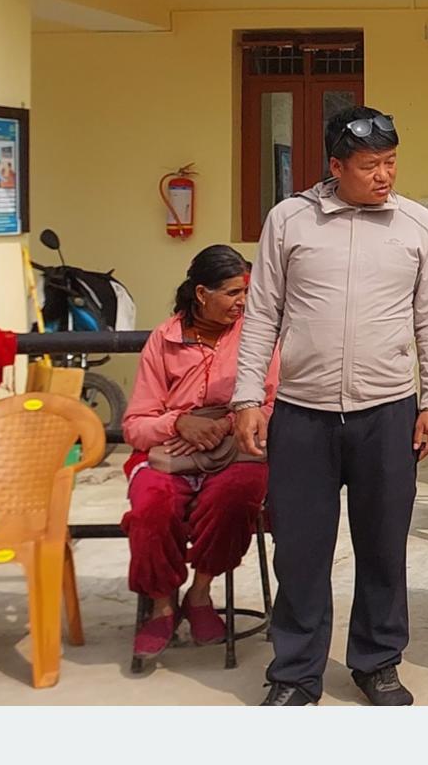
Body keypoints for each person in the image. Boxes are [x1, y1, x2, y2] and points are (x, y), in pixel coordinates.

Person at [231, 106, 428, 708]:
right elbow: (262, 315)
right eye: (370, 165)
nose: (384, 176)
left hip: (388, 412)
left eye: (390, 162)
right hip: (303, 413)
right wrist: (248, 396)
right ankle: (295, 672)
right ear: (336, 166)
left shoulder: (417, 226)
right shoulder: (289, 220)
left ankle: (378, 663)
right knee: (301, 549)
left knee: (383, 545)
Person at [121, 245, 279, 665]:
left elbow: (273, 402)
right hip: (170, 448)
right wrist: (178, 423)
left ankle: (201, 593)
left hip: (236, 444)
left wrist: (229, 423)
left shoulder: (257, 335)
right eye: (232, 293)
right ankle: (162, 606)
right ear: (201, 293)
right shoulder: (164, 339)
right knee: (152, 506)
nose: (242, 302)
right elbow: (136, 423)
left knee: (238, 495)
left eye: (246, 293)